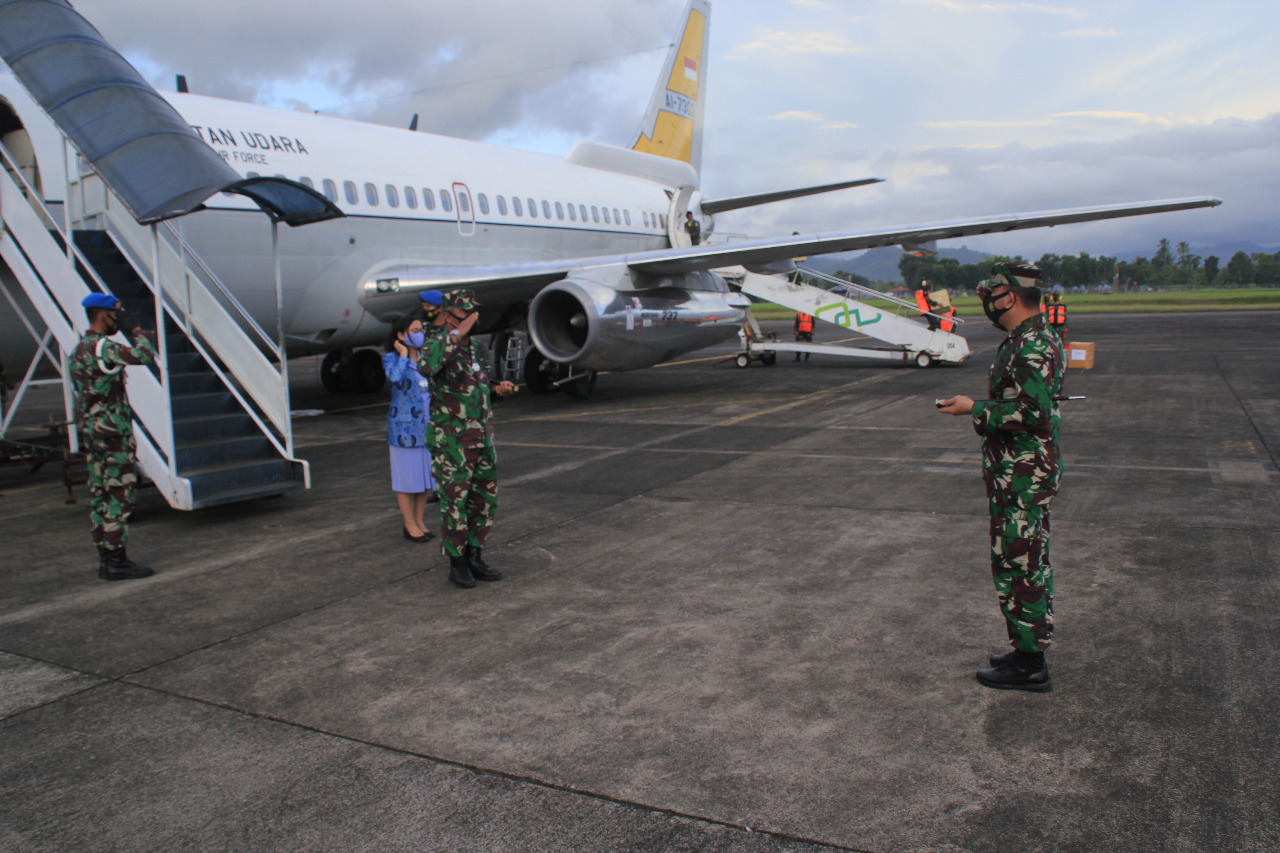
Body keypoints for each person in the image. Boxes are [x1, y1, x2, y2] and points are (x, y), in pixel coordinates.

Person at [935, 262, 1064, 692]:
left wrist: (975, 408)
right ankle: (1025, 648)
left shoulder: (1032, 345)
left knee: (1020, 565)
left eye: (992, 294)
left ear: (1009, 296)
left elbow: (1034, 413)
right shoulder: (1026, 340)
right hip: (1018, 474)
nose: (988, 303)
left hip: (1023, 476)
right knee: (1022, 560)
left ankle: (1030, 664)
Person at [417, 290, 518, 588]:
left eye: (474, 313)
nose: (473, 318)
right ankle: (457, 562)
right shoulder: (436, 345)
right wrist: (456, 333)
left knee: (484, 503)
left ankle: (475, 556)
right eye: (465, 313)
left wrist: (497, 391)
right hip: (452, 443)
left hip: (482, 438)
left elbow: (477, 391)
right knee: (454, 504)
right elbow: (426, 367)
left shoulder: (475, 348)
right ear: (447, 314)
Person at [68, 293, 157, 581]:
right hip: (113, 435)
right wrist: (136, 331)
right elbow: (145, 355)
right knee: (120, 494)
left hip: (92, 433)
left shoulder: (78, 350)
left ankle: (106, 558)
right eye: (116, 316)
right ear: (104, 315)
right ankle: (116, 560)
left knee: (100, 494)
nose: (118, 321)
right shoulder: (103, 347)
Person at [382, 312, 437, 543]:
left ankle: (419, 520)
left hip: (428, 427)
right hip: (405, 431)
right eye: (414, 331)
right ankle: (409, 524)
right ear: (401, 335)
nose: (420, 334)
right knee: (406, 479)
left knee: (425, 478)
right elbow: (395, 379)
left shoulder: (425, 358)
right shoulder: (392, 359)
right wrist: (404, 354)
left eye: (421, 330)